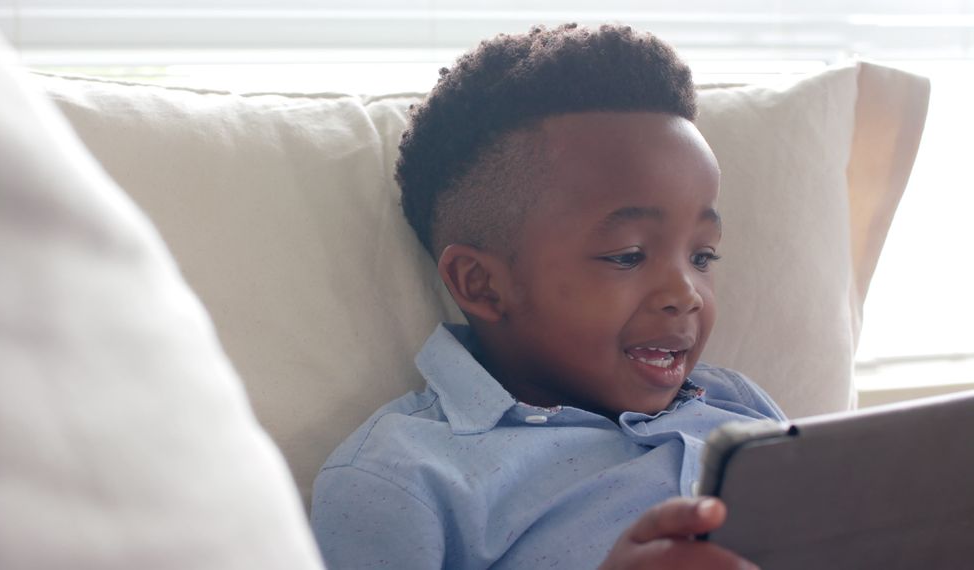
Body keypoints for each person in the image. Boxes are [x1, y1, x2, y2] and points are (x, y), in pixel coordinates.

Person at [311, 22, 784, 570]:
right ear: (481, 283)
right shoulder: (402, 477)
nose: (685, 293)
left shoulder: (737, 405)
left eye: (702, 256)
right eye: (627, 255)